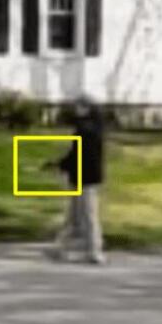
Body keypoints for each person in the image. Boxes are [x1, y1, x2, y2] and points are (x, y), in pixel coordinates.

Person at [44, 95, 107, 265]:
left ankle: (95, 252)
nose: (76, 110)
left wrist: (60, 165)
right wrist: (60, 165)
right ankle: (61, 248)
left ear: (86, 108)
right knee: (74, 216)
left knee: (88, 216)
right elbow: (76, 154)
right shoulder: (94, 128)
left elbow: (77, 154)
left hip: (86, 178)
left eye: (79, 107)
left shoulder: (86, 130)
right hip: (83, 177)